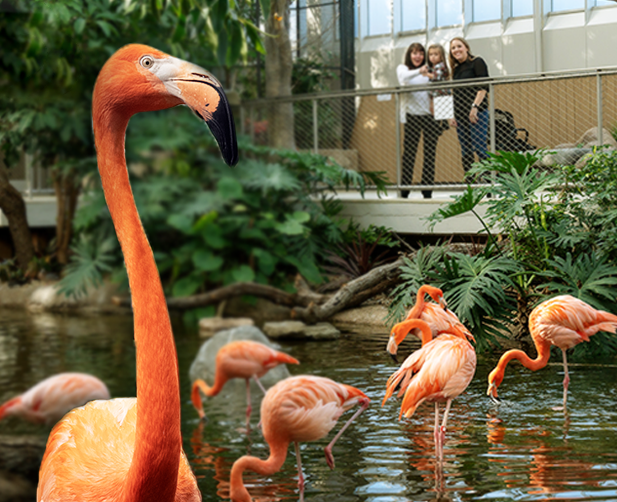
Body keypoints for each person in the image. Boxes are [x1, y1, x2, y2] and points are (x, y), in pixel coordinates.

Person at [397, 43, 441, 199]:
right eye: (414, 53)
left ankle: (427, 190)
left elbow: (441, 86)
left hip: (429, 117)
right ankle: (404, 189)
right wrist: (419, 71)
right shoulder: (404, 69)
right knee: (409, 154)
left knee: (430, 154)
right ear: (409, 55)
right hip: (412, 116)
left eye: (421, 54)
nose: (418, 56)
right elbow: (402, 78)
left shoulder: (430, 71)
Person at [449, 37, 489, 179]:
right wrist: (450, 114)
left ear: (466, 47)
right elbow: (454, 94)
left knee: (480, 148)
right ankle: (470, 184)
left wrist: (474, 107)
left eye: (459, 46)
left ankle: (488, 184)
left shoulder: (477, 62)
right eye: (453, 48)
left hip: (477, 114)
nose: (456, 50)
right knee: (466, 150)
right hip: (460, 116)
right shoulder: (455, 70)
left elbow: (483, 88)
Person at [426, 44, 450, 135]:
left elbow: (437, 77)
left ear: (441, 56)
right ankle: (442, 124)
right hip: (434, 94)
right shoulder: (431, 67)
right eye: (431, 54)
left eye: (436, 54)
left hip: (440, 93)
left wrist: (426, 74)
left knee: (438, 110)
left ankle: (442, 124)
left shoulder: (440, 66)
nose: (433, 57)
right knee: (435, 112)